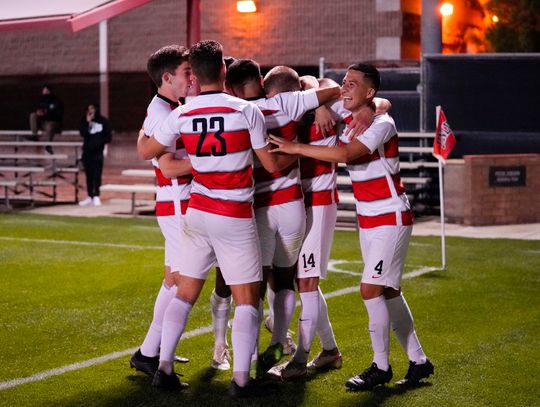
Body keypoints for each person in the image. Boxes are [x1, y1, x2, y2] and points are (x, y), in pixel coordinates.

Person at [137, 40, 296, 398]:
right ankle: (241, 380)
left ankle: (162, 369)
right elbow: (269, 164)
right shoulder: (244, 111)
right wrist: (295, 153)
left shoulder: (181, 114)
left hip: (198, 212)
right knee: (245, 298)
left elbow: (147, 150)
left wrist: (144, 130)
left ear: (196, 74)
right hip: (234, 214)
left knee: (184, 294)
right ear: (223, 71)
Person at [268, 63, 434, 390]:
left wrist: (295, 147)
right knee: (388, 292)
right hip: (369, 219)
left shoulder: (382, 123)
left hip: (391, 216)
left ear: (369, 92)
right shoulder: (347, 115)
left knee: (369, 290)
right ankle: (418, 360)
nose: (345, 87)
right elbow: (319, 92)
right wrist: (321, 108)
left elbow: (346, 153)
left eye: (353, 84)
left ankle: (380, 367)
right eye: (344, 82)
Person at [224, 60, 341, 377]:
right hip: (293, 202)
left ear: (230, 87)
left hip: (256, 204)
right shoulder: (286, 102)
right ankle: (281, 341)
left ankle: (247, 360)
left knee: (255, 286)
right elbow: (337, 89)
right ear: (259, 79)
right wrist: (318, 96)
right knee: (291, 280)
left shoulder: (234, 111)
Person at [129, 45, 194, 378]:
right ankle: (153, 353)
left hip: (174, 201)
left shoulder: (171, 106)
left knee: (172, 279)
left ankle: (149, 351)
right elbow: (168, 167)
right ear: (167, 78)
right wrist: (212, 161)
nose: (191, 76)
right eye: (186, 72)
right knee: (183, 280)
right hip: (176, 201)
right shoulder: (163, 112)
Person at [78, 103, 111, 206]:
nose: (90, 111)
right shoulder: (84, 120)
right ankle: (89, 196)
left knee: (97, 174)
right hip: (87, 152)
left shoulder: (103, 121)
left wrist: (99, 143)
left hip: (98, 152)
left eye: (92, 108)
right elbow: (83, 133)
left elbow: (108, 137)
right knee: (89, 175)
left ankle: (96, 195)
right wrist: (88, 122)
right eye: (88, 109)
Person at [29, 84, 64, 153]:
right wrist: (38, 113)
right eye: (44, 89)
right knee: (33, 115)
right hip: (43, 122)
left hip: (53, 122)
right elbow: (36, 108)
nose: (44, 91)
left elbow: (58, 114)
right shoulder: (41, 100)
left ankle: (48, 145)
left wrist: (46, 113)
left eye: (45, 90)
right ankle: (34, 135)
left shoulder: (56, 101)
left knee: (50, 126)